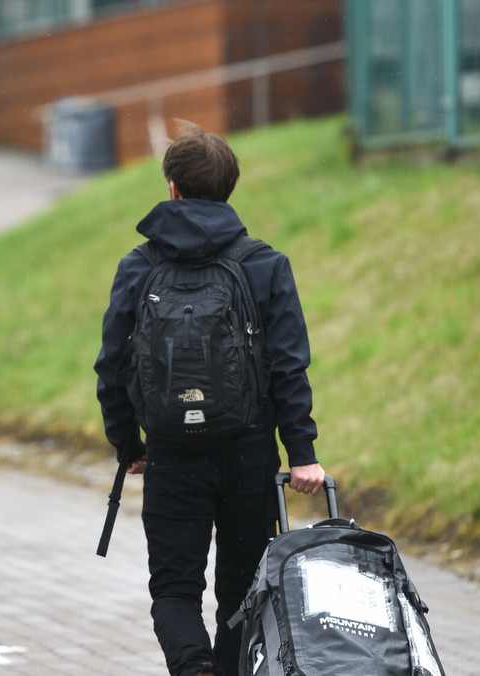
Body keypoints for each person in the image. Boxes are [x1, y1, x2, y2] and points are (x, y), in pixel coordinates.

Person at [93, 122, 325, 676]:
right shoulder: (265, 264)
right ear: (230, 189)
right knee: (244, 594)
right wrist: (302, 454)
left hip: (172, 454)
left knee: (174, 590)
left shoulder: (139, 266)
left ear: (171, 187)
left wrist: (129, 445)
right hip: (248, 453)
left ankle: (193, 668)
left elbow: (112, 365)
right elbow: (288, 365)